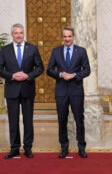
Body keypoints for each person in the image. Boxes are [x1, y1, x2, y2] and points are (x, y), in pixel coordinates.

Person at [0, 23, 44, 159]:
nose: (18, 35)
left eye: (20, 33)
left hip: (27, 89)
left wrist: (28, 76)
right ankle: (14, 148)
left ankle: (28, 147)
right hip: (12, 89)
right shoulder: (5, 50)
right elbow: (0, 68)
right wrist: (11, 76)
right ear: (12, 34)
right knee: (13, 120)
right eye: (16, 33)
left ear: (23, 34)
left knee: (28, 120)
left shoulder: (32, 48)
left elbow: (40, 68)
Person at [47, 26, 90, 158]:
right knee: (62, 119)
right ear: (62, 38)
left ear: (73, 37)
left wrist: (75, 75)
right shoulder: (56, 51)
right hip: (61, 91)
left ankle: (81, 147)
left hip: (76, 90)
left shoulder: (81, 51)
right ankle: (64, 147)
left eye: (69, 36)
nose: (67, 39)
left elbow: (87, 70)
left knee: (79, 119)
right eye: (65, 36)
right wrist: (60, 74)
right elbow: (49, 70)